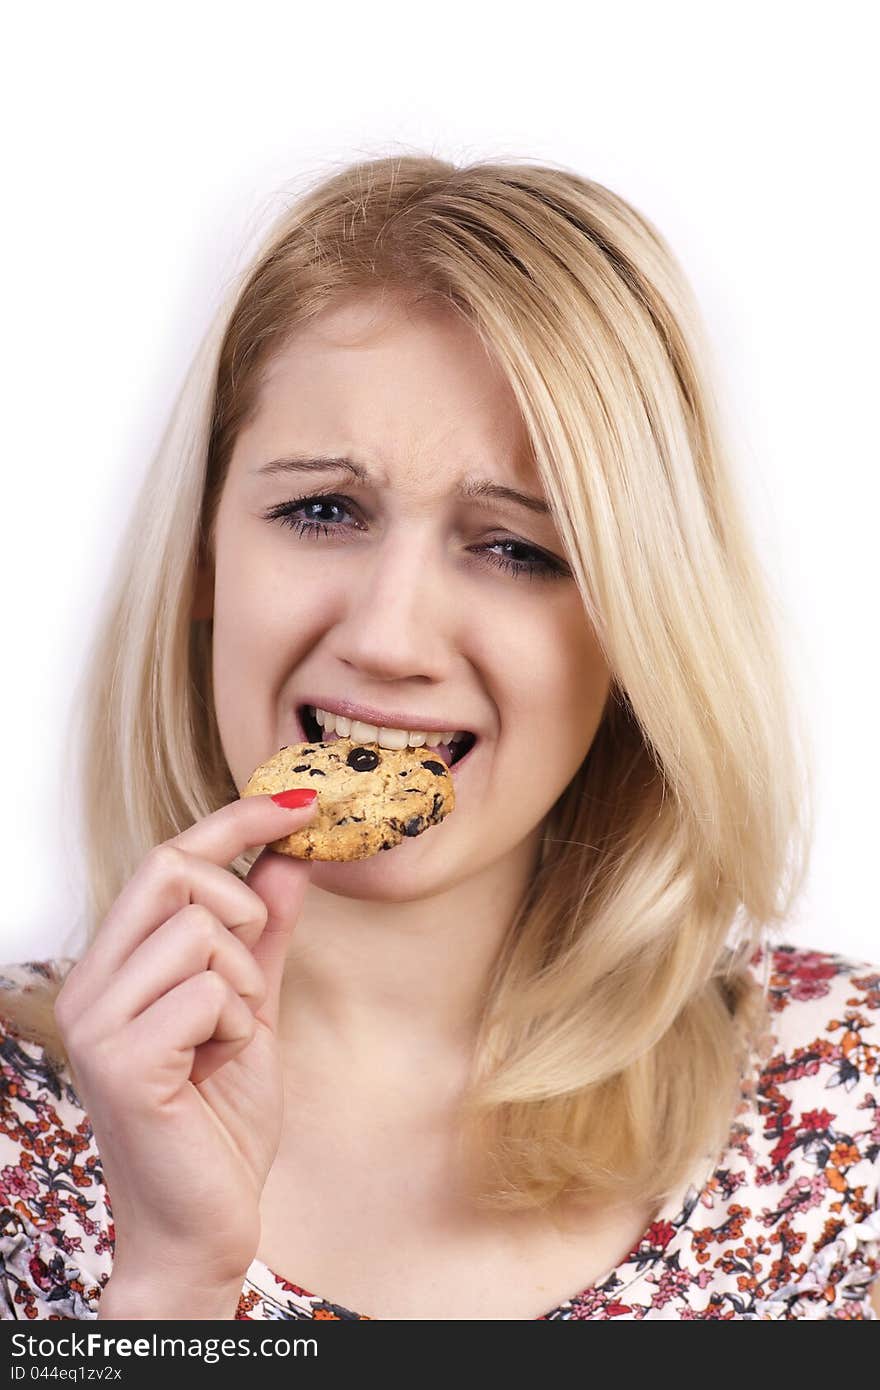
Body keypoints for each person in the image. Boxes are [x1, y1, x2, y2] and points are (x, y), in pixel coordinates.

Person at [1, 153, 878, 1322]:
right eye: (323, 510)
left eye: (516, 546)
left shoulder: (848, 1102)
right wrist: (171, 1285)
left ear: (636, 623)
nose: (389, 635)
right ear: (205, 556)